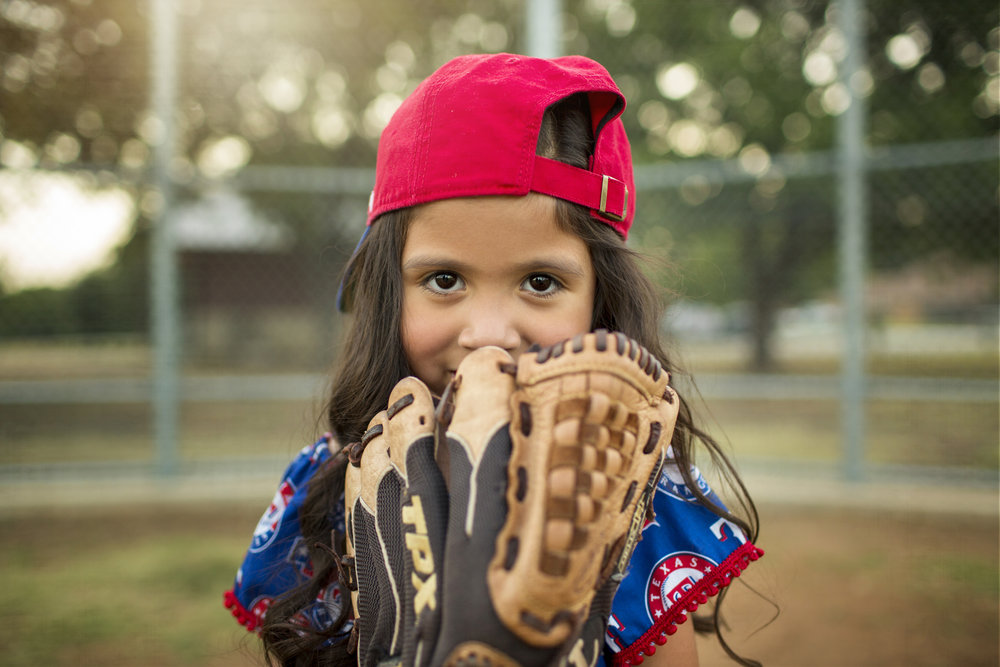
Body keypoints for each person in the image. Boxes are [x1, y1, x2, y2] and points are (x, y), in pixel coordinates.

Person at [224, 53, 763, 667]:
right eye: (444, 278)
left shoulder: (624, 483)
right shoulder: (333, 483)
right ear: (387, 295)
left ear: (601, 301)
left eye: (539, 282)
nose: (487, 335)